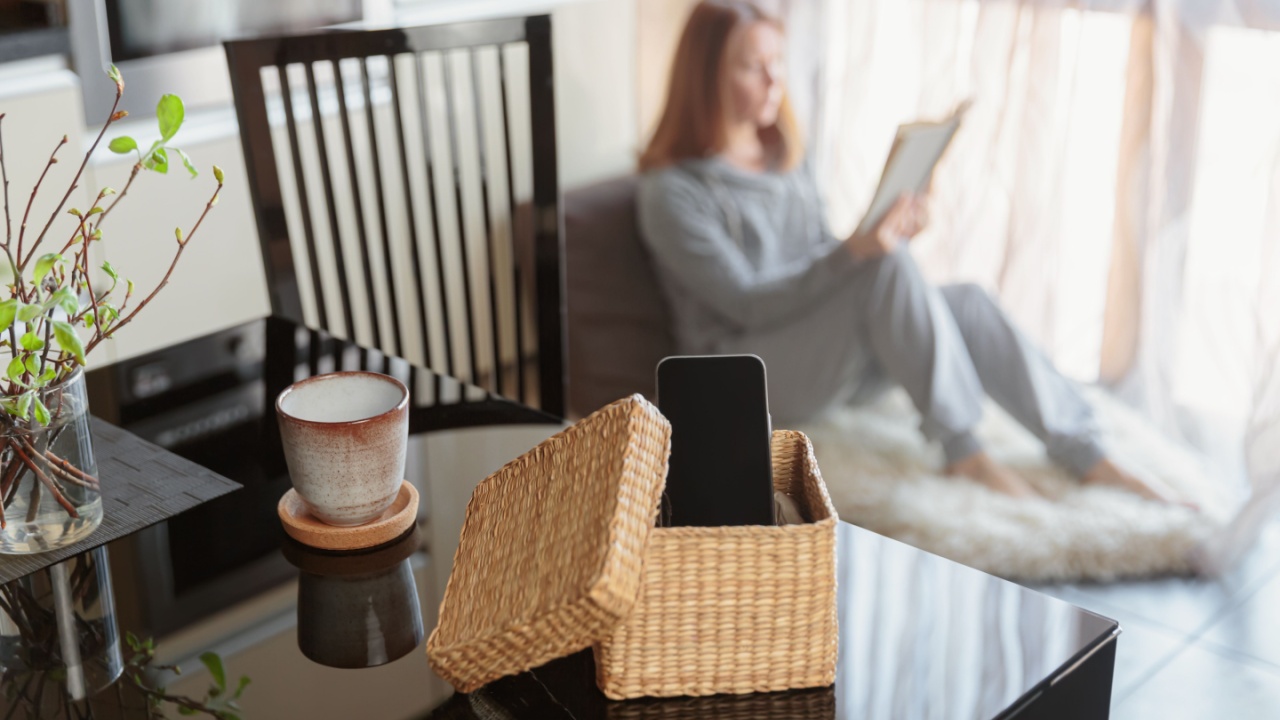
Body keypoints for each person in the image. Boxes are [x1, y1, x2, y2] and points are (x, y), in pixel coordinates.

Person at [636, 0, 1180, 502]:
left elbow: (819, 256)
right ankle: (965, 451)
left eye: (778, 61)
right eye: (754, 67)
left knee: (963, 301)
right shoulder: (672, 191)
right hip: (743, 377)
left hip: (821, 355)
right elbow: (746, 303)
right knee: (881, 270)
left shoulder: (784, 153)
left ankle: (1086, 451)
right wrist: (859, 255)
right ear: (706, 78)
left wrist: (878, 236)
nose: (776, 80)